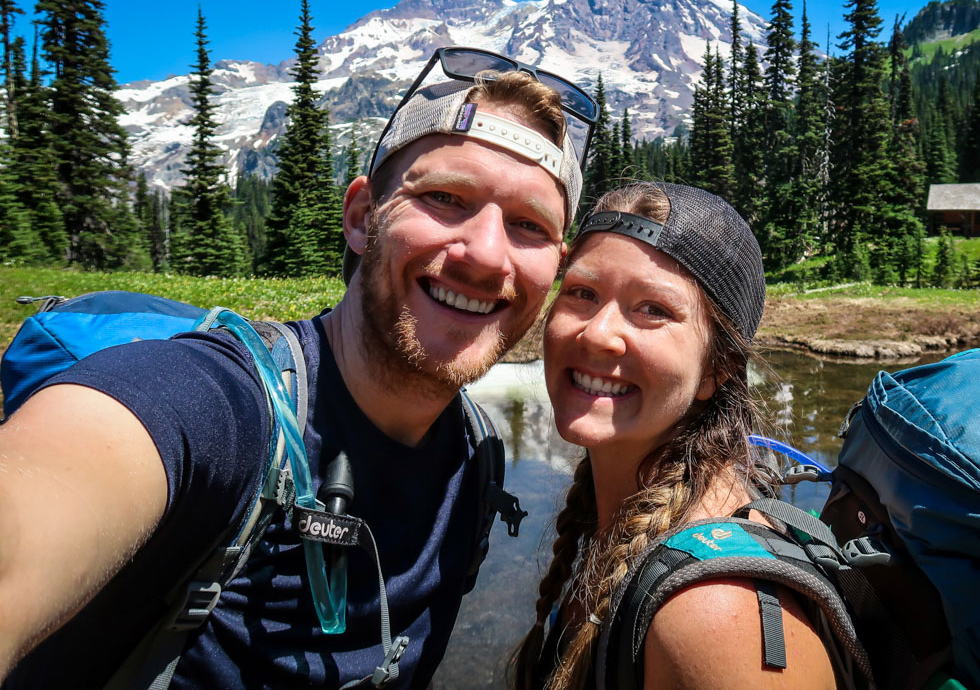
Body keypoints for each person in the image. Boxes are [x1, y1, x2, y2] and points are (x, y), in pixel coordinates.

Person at [0, 47, 597, 689]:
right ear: (363, 217)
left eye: (528, 226)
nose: (485, 254)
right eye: (447, 197)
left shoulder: (475, 457)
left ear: (555, 267)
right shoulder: (215, 404)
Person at [513, 182, 839, 690]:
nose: (597, 333)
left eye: (653, 309)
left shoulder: (715, 616)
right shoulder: (624, 524)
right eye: (582, 293)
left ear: (718, 368)